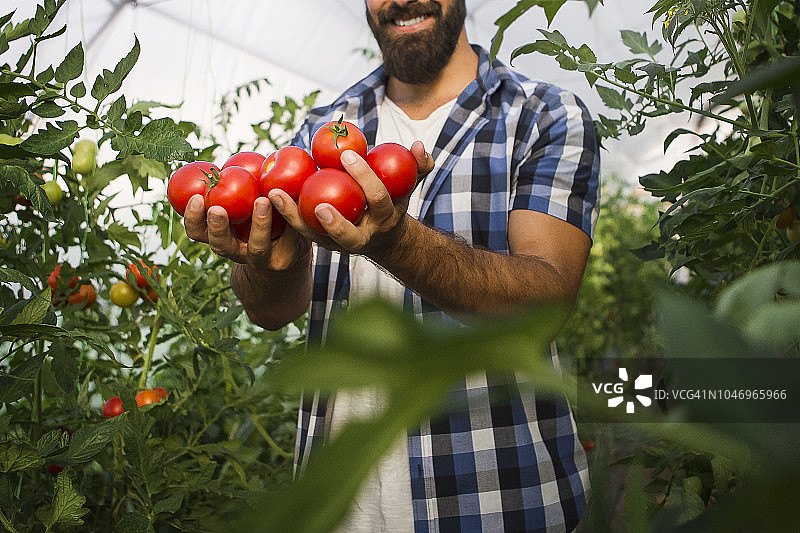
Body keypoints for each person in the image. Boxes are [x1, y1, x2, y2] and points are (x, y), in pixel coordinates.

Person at [183, 0, 599, 530]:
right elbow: (273, 308)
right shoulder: (322, 128)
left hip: (497, 497)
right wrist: (266, 262)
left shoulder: (544, 116)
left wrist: (394, 242)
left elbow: (548, 298)